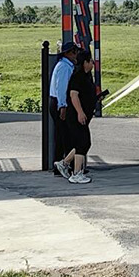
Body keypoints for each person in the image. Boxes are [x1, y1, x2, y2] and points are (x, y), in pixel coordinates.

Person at [62, 48, 96, 184]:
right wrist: (80, 112)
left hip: (83, 114)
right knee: (83, 142)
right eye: (91, 61)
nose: (93, 63)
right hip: (76, 115)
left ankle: (64, 163)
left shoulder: (87, 76)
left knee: (82, 143)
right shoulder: (78, 76)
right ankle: (76, 173)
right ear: (85, 62)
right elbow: (73, 95)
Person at [50, 42, 79, 179]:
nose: (76, 55)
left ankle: (60, 165)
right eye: (74, 52)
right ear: (67, 53)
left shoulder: (64, 65)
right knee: (65, 136)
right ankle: (65, 165)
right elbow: (61, 88)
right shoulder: (64, 67)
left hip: (58, 102)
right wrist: (62, 106)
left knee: (61, 135)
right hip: (59, 102)